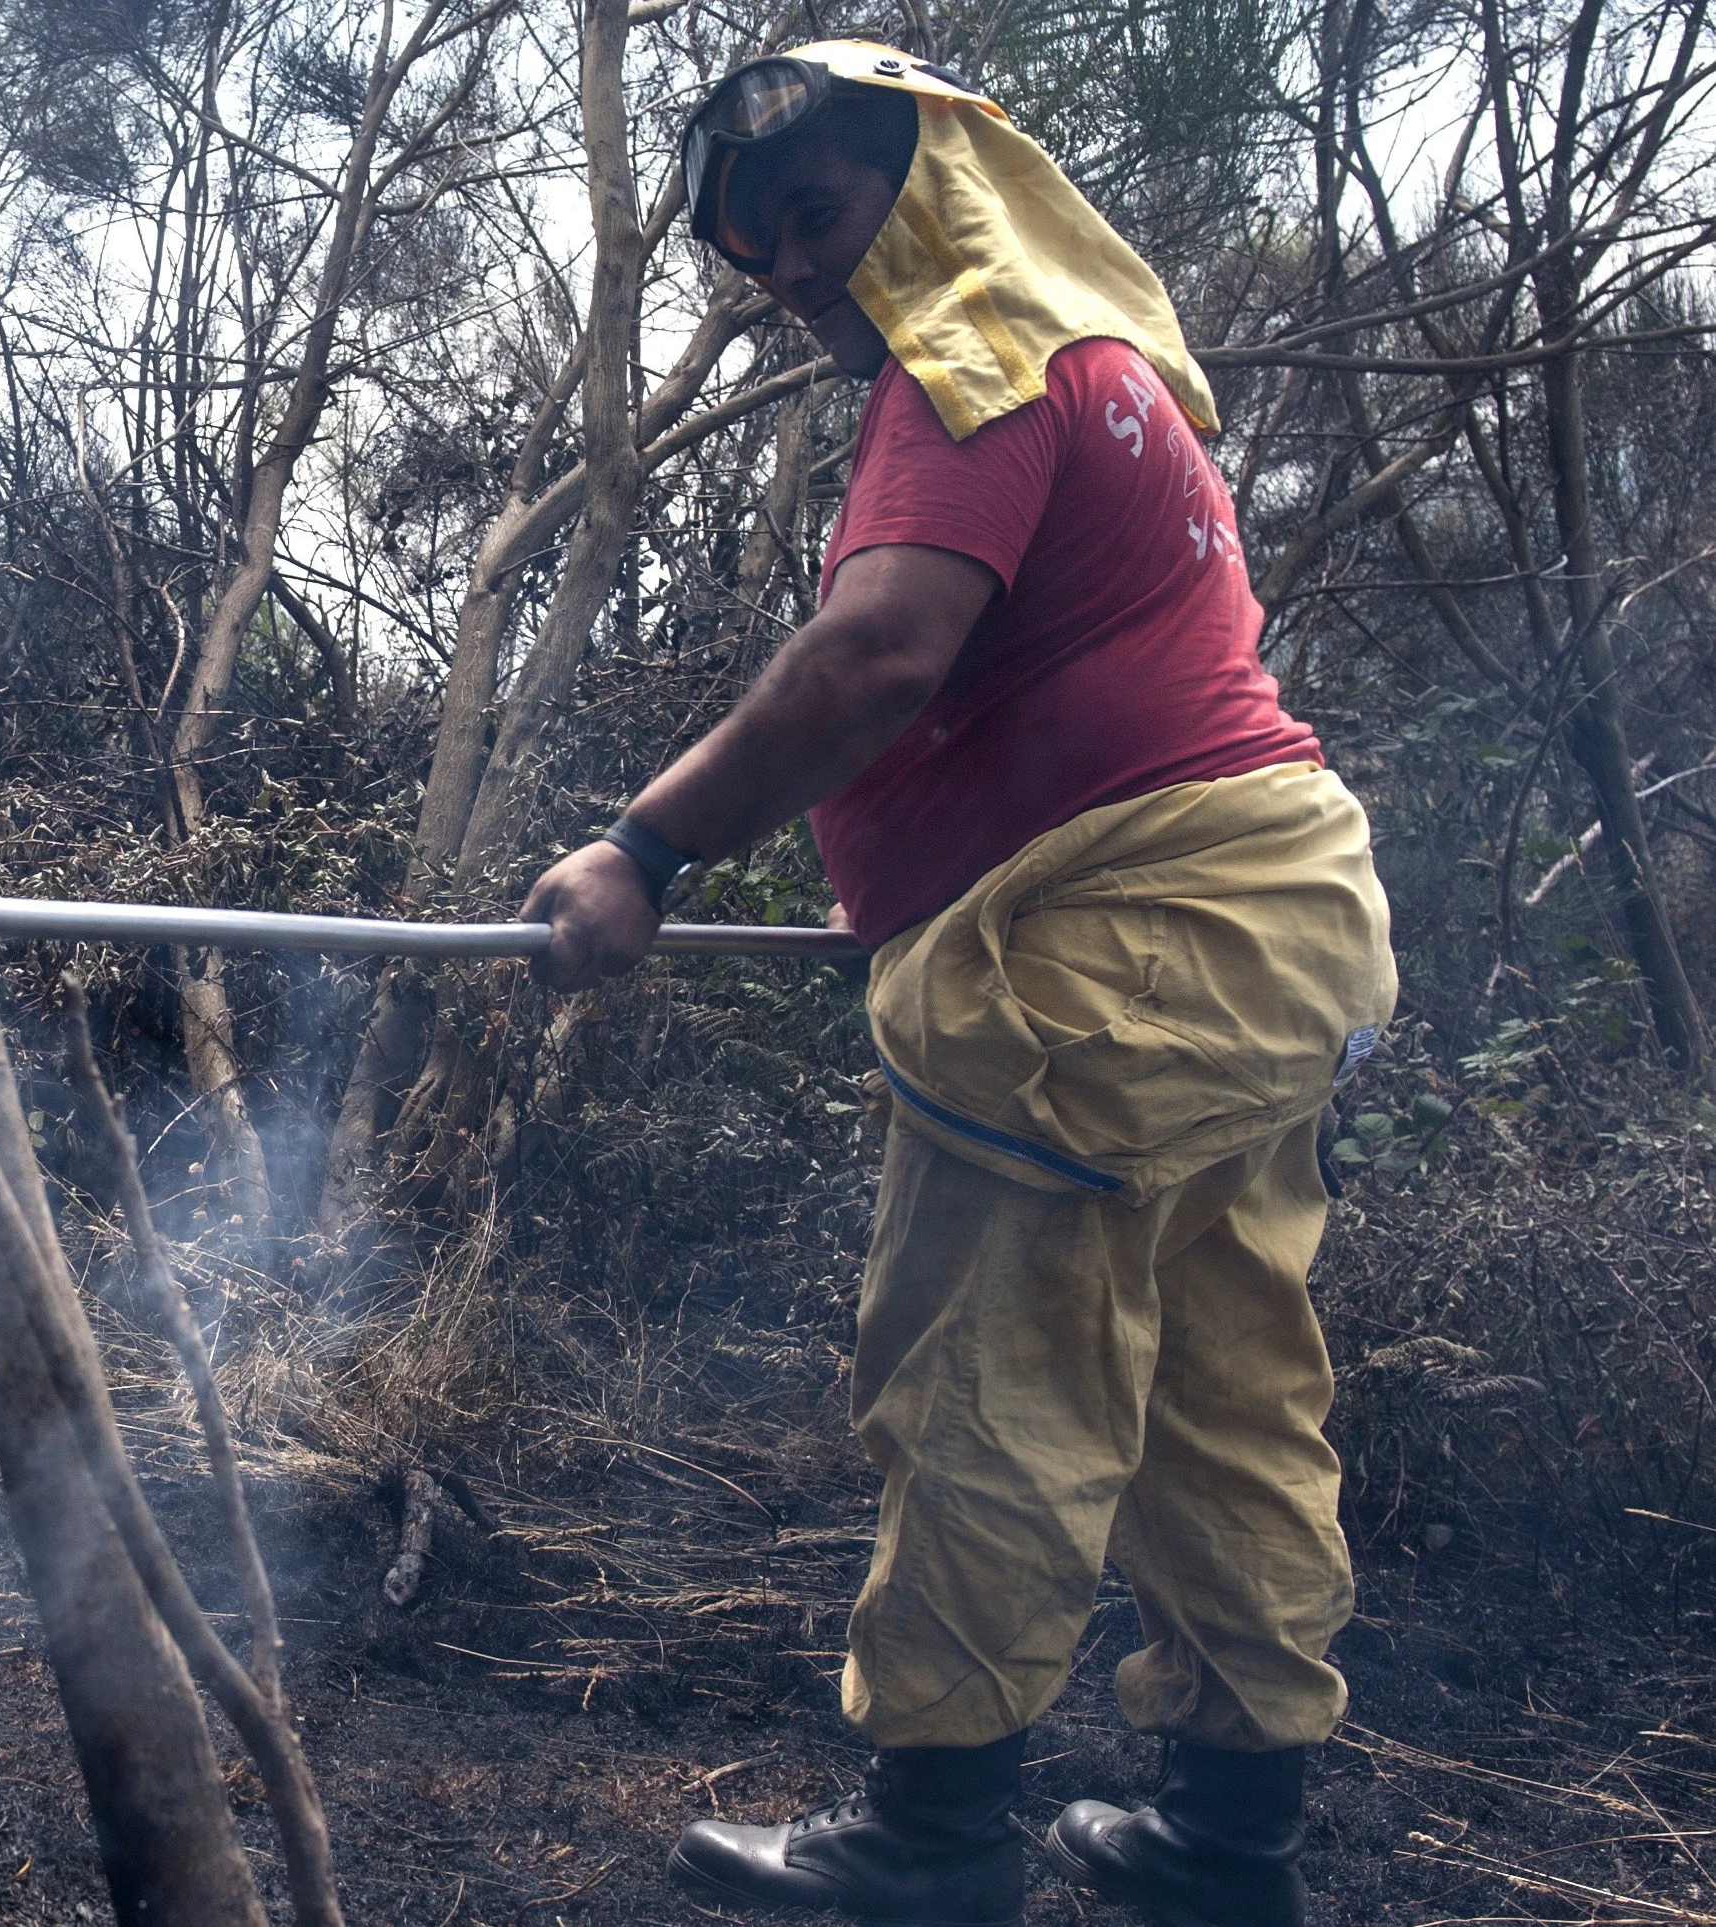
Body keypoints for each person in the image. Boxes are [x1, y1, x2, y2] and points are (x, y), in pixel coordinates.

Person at [521, 42, 1397, 1927]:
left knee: (994, 1384)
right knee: (1223, 1392)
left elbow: (874, 659)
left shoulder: (979, 357)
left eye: (814, 218)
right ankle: (1223, 1845)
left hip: (1119, 960)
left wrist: (644, 850)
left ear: (927, 185)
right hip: (1260, 937)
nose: (787, 274)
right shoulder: (1104, 369)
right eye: (752, 254)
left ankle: (926, 1847)